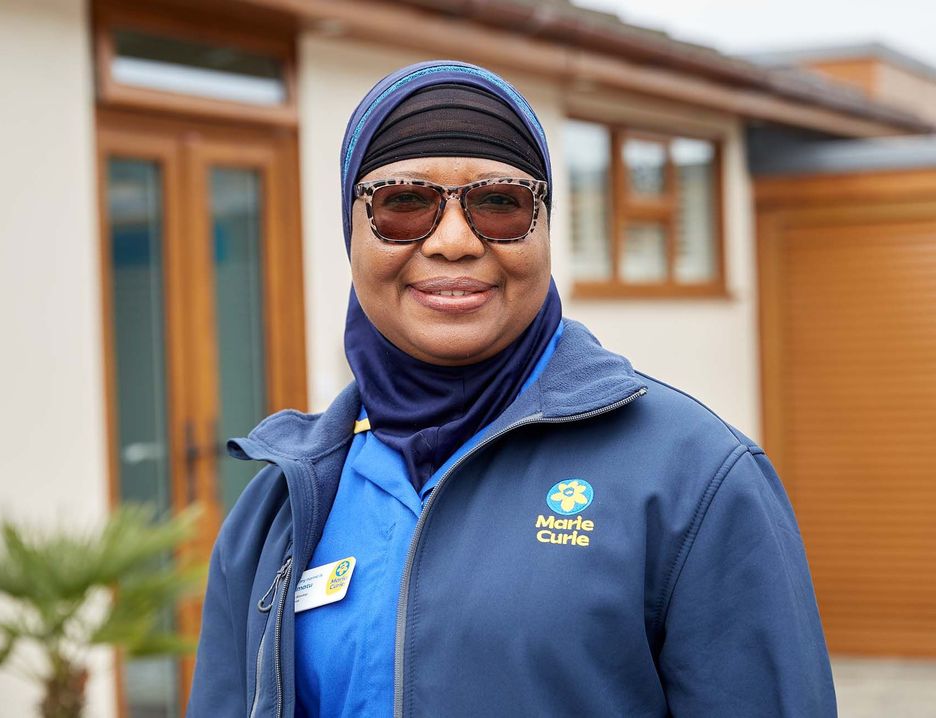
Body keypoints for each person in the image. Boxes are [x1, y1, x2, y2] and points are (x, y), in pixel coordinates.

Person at [186, 60, 837, 718]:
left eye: (500, 204)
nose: (452, 241)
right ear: (349, 232)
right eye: (402, 204)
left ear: (548, 228)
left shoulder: (695, 479)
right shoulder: (283, 503)